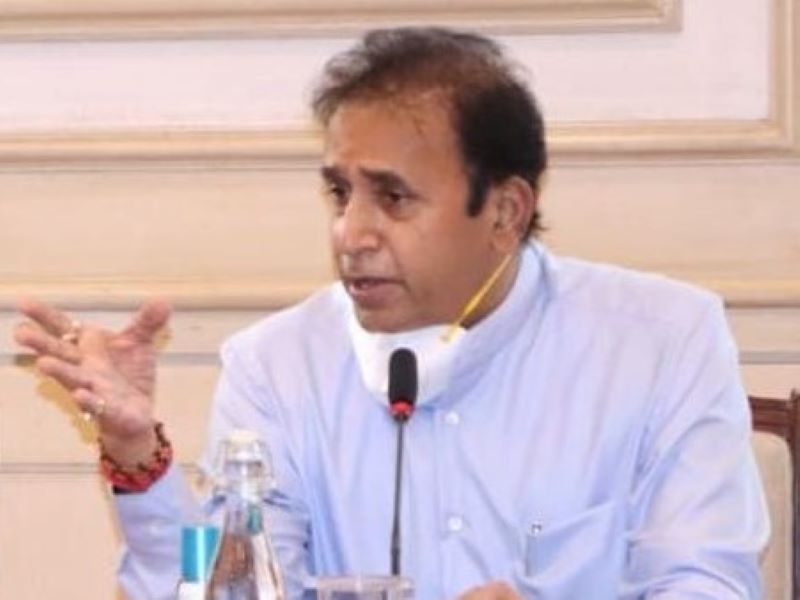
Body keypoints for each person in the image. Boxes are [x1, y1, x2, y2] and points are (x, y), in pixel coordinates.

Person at [14, 27, 768, 600]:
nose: (350, 234)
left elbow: (708, 584)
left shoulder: (663, 343)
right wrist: (137, 453)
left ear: (505, 211)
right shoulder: (277, 366)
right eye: (340, 194)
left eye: (393, 197)